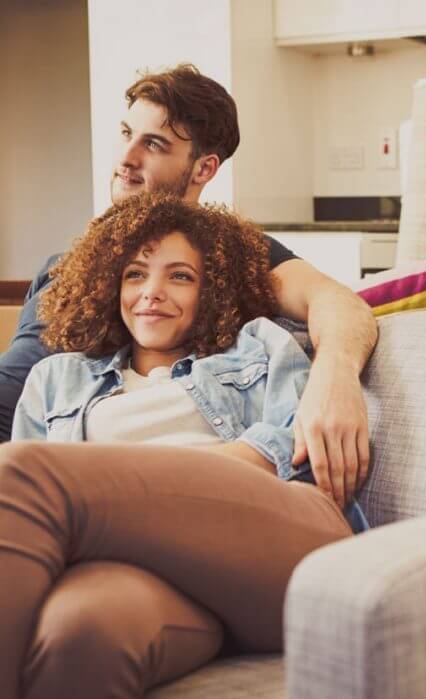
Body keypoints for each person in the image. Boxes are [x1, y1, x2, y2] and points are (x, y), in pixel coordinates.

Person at [1, 192, 369, 699]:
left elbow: (288, 457)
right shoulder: (55, 379)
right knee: (79, 633)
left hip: (282, 548)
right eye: (135, 274)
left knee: (18, 474)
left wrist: (124, 495)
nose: (152, 292)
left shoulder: (257, 346)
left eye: (180, 276)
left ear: (213, 290)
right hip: (137, 574)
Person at [0, 63, 378, 510]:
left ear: (203, 167)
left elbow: (334, 300)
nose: (126, 157)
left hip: (112, 493)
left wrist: (335, 375)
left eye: (154, 144)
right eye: (126, 134)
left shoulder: (236, 256)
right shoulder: (65, 271)